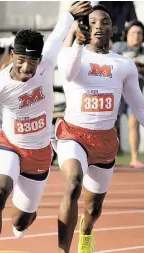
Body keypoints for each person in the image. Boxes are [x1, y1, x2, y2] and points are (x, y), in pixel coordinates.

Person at [0, 2, 93, 253]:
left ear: (39, 59)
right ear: (12, 55)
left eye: (32, 61)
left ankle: (24, 217)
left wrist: (69, 14)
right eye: (21, 60)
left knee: (21, 221)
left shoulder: (46, 64)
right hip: (9, 145)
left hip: (39, 153)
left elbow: (57, 35)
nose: (27, 68)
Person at [54, 4, 144, 253]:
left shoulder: (124, 65)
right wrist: (76, 40)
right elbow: (70, 73)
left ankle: (86, 232)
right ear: (83, 26)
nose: (97, 26)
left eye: (104, 21)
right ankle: (64, 250)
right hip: (73, 134)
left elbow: (139, 107)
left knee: (93, 209)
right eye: (91, 21)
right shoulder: (69, 53)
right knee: (73, 183)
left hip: (104, 141)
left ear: (111, 29)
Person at [113, 20, 144, 169]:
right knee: (111, 124)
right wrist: (132, 63)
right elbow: (111, 63)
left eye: (139, 33)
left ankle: (134, 158)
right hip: (116, 92)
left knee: (134, 123)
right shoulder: (119, 47)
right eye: (133, 33)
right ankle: (108, 157)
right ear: (126, 35)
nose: (136, 36)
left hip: (134, 94)